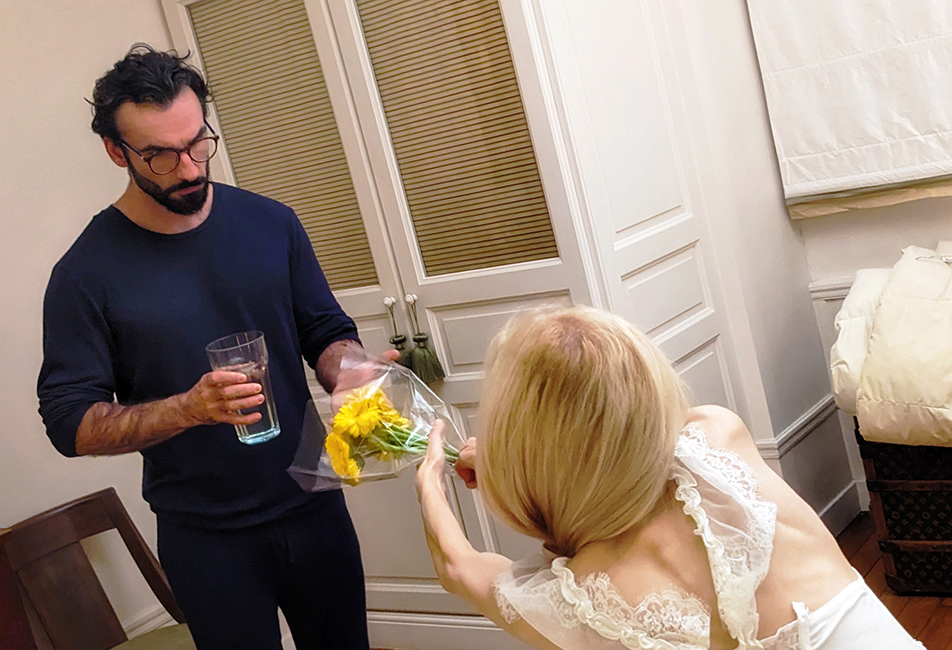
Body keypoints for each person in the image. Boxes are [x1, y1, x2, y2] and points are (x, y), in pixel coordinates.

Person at [37, 44, 374, 650]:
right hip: (206, 539)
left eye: (198, 143)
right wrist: (188, 409)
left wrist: (347, 369)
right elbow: (69, 422)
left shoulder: (272, 223)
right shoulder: (84, 275)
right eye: (161, 156)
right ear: (117, 152)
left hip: (313, 503)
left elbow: (326, 331)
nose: (190, 169)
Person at [416, 305, 925, 650]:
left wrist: (432, 481)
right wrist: (514, 458)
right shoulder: (717, 435)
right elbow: (629, 429)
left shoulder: (573, 604)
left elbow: (458, 566)